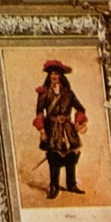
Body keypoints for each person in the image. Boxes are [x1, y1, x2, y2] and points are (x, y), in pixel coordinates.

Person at [33, 59, 88, 200]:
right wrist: (42, 131)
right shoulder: (44, 93)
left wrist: (78, 123)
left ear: (61, 76)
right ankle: (54, 186)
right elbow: (39, 113)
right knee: (54, 158)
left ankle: (71, 184)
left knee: (71, 156)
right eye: (52, 73)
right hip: (52, 128)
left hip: (68, 129)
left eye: (56, 73)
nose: (54, 76)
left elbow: (80, 109)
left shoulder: (68, 93)